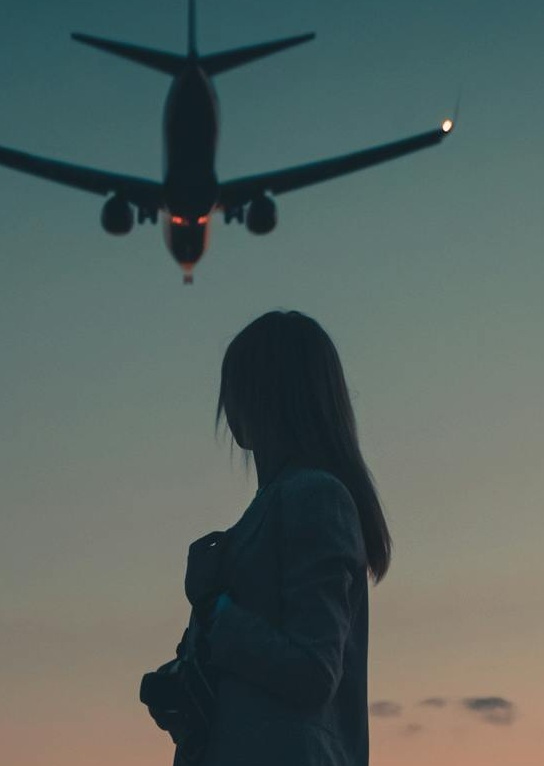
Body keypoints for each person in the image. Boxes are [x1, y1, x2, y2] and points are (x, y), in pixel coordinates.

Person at [160, 309, 393, 766]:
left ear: (271, 394)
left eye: (239, 385)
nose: (227, 404)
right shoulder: (278, 509)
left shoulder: (315, 497)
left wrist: (213, 606)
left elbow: (312, 671)